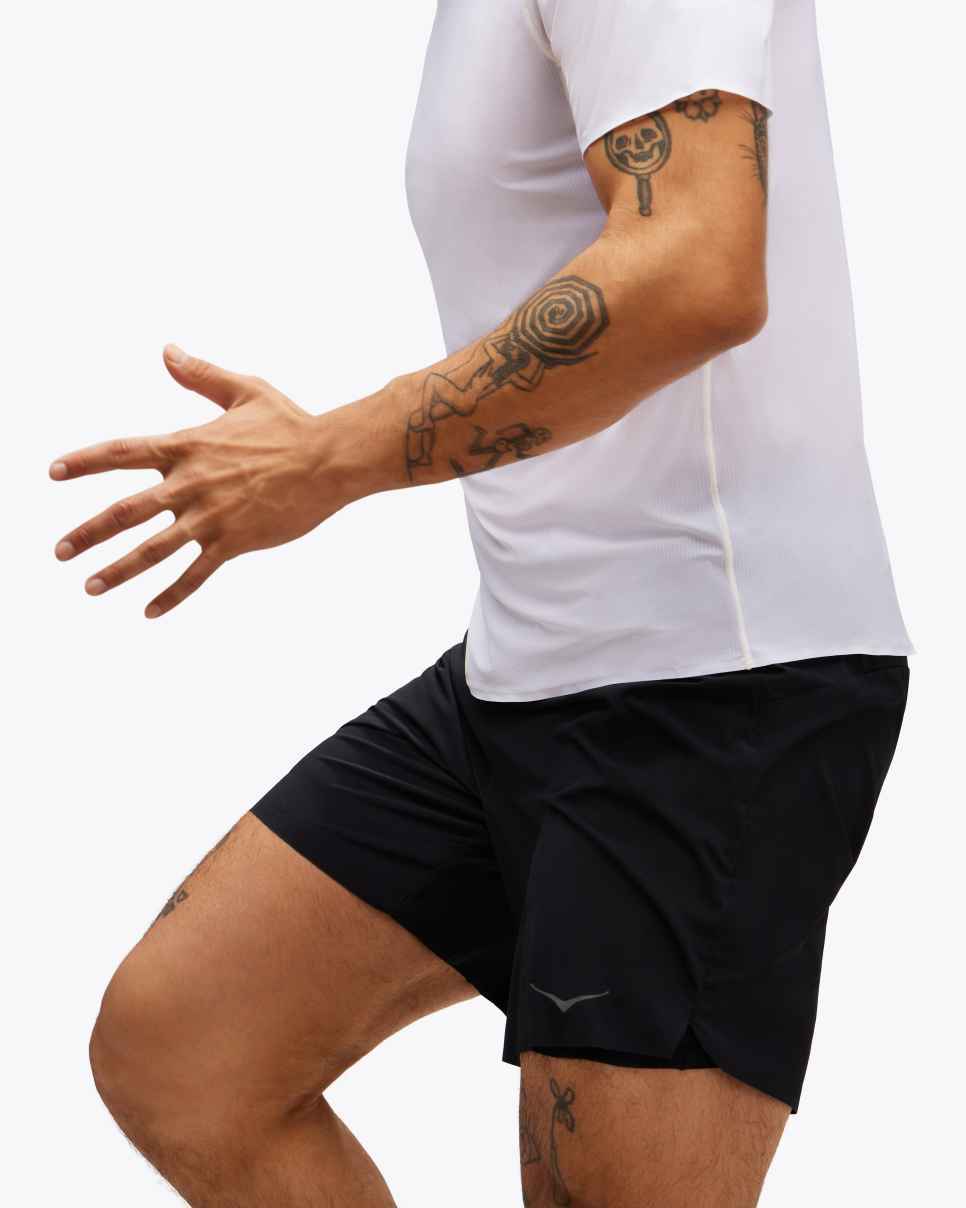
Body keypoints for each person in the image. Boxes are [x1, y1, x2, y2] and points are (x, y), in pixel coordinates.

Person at [58, 2, 914, 1204]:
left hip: (712, 689)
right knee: (186, 1053)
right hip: (523, 668)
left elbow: (697, 265)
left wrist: (327, 458)